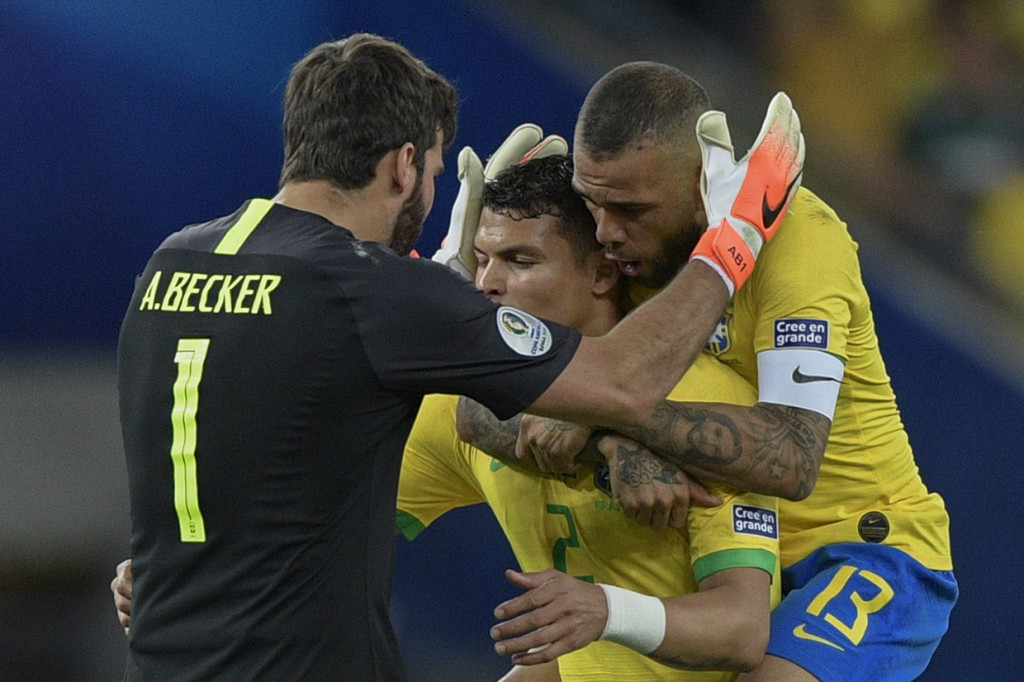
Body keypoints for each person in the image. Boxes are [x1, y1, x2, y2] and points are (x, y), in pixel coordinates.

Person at [115, 35, 802, 681]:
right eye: (437, 170)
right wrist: (737, 233)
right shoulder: (374, 294)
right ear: (403, 164)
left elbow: (276, 444)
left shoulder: (172, 261)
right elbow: (621, 384)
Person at [495, 63, 957, 681]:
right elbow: (482, 400)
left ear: (700, 184)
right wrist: (606, 434)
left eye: (631, 209)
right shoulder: (615, 253)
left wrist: (604, 410)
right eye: (592, 201)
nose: (605, 231)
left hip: (857, 550)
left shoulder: (799, 242)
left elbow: (793, 458)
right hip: (710, 555)